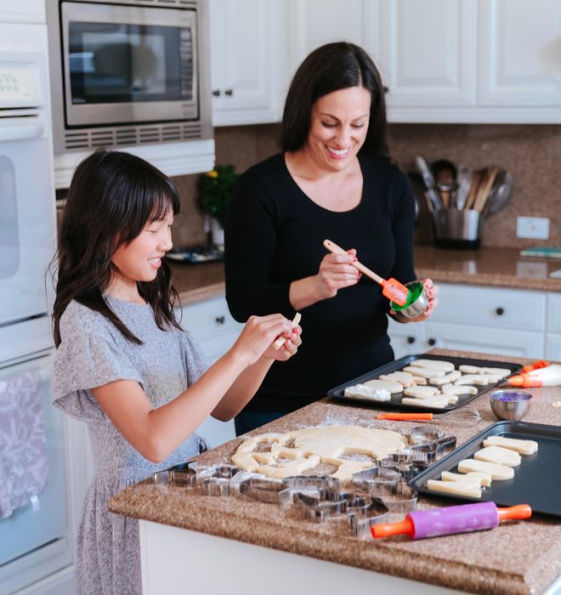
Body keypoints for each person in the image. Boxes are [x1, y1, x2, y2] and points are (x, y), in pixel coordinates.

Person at [51, 150, 302, 595]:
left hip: (181, 493)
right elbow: (153, 439)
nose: (168, 242)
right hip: (136, 509)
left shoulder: (153, 304)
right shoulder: (88, 324)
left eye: (168, 226)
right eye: (155, 229)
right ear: (107, 230)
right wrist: (237, 356)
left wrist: (261, 354)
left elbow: (224, 407)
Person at [225, 42, 438, 436]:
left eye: (358, 124)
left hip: (373, 393)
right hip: (280, 405)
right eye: (329, 123)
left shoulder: (390, 185)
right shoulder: (259, 189)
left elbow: (398, 282)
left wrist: (411, 304)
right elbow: (242, 301)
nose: (343, 139)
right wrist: (315, 287)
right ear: (304, 112)